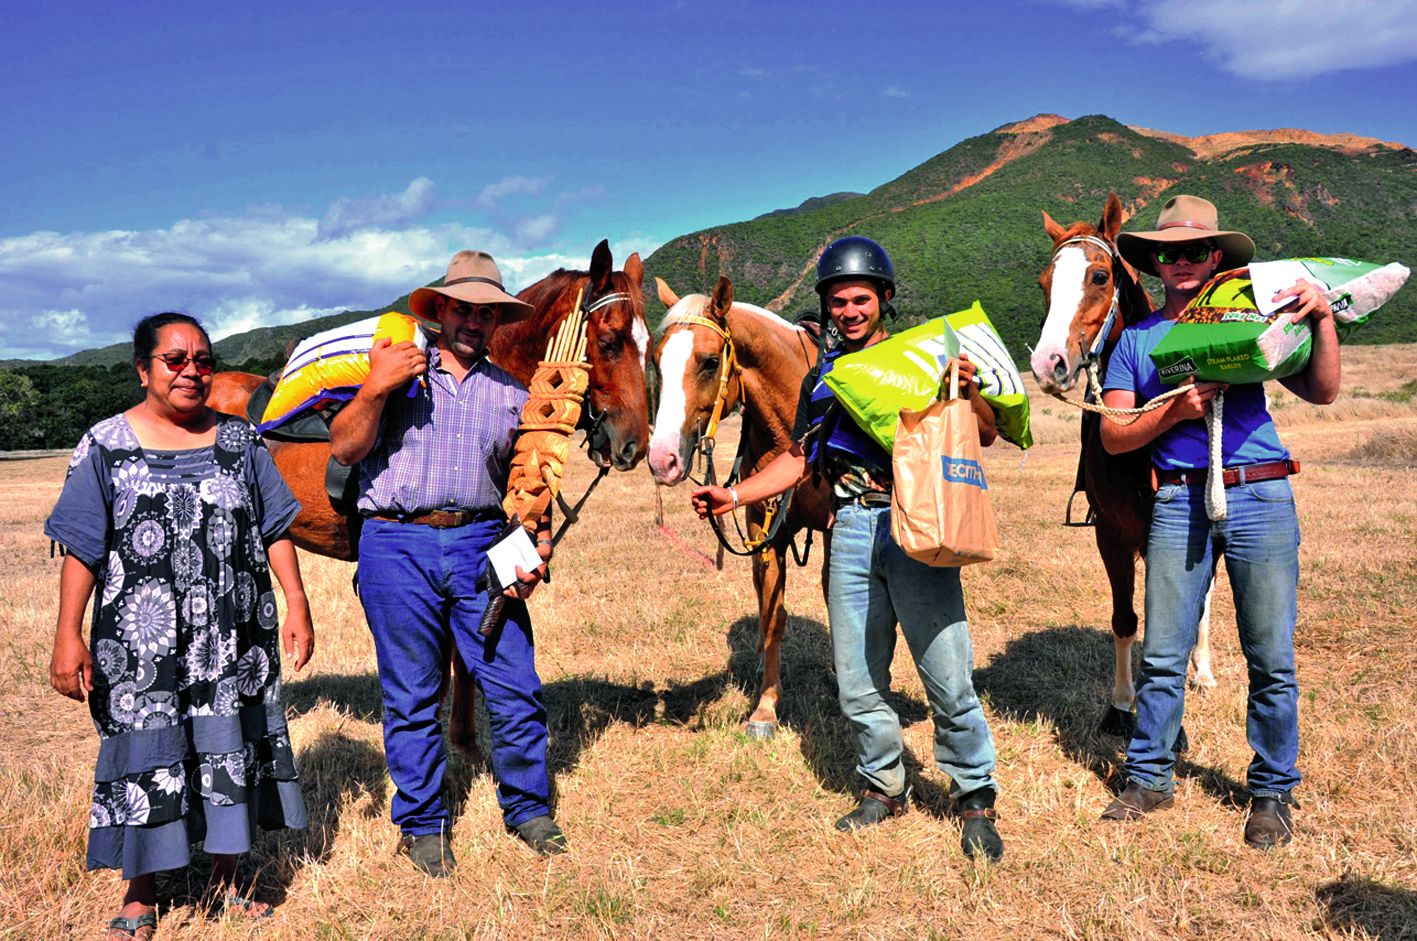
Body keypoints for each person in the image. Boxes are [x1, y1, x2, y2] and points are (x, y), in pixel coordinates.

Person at [691, 236, 1006, 862]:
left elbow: (987, 434)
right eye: (838, 301)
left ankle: (974, 796)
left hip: (917, 523)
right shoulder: (824, 378)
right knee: (857, 681)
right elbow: (799, 458)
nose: (849, 311)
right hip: (853, 529)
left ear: (884, 300)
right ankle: (883, 787)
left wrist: (968, 391)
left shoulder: (923, 358)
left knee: (946, 675)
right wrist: (734, 494)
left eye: (860, 298)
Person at [46, 312, 314, 940]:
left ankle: (228, 879)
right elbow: (84, 546)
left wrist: (296, 600)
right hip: (140, 643)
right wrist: (68, 633)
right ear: (144, 369)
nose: (192, 371)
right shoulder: (104, 445)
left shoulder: (241, 442)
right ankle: (140, 893)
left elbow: (274, 527)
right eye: (175, 359)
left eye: (202, 360)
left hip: (232, 635)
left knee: (230, 746)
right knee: (145, 751)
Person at [1098, 195, 1340, 848]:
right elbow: (1115, 436)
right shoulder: (1135, 342)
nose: (1180, 261)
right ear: (1153, 263)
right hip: (1177, 499)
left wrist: (1321, 319)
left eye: (1194, 250)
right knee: (1164, 651)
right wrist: (1173, 412)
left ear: (1213, 258)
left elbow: (1321, 390)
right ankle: (1148, 775)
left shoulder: (1254, 318)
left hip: (1259, 495)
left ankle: (1270, 790)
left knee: (1270, 657)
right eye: (1168, 252)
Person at [330, 249, 562, 877]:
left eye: (486, 313)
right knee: (412, 693)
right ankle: (425, 824)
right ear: (439, 310)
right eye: (463, 308)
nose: (473, 321)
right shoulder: (394, 370)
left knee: (514, 685)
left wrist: (534, 548)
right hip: (395, 542)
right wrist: (377, 387)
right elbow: (347, 447)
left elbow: (528, 484)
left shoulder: (512, 394)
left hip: (483, 540)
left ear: (496, 323)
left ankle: (529, 809)